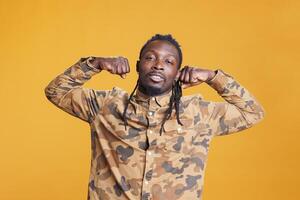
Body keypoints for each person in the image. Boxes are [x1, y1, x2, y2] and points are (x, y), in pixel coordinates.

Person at [44, 34, 265, 200]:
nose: (158, 64)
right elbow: (55, 91)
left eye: (169, 62)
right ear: (139, 66)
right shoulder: (106, 106)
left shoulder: (199, 113)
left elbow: (253, 112)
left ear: (178, 73)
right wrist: (94, 64)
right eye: (150, 58)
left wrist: (213, 77)